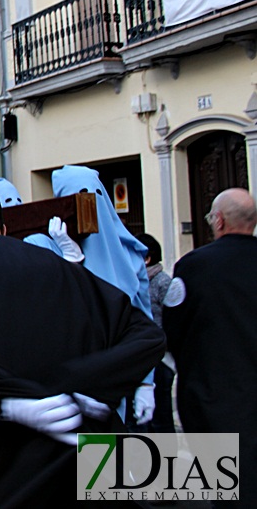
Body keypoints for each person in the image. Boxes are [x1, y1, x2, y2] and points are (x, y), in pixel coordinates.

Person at [0, 187, 166, 506]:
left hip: (2, 456)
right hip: (79, 446)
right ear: (4, 229)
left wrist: (9, 397)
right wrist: (89, 382)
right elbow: (147, 335)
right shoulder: (64, 269)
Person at [163, 188, 257, 483]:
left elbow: (173, 328)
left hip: (214, 394)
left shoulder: (194, 266)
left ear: (218, 221)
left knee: (226, 483)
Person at [52, 165, 155, 426]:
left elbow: (144, 323)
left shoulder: (130, 255)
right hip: (66, 383)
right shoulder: (50, 247)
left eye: (94, 195)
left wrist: (146, 382)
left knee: (104, 460)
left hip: (116, 379)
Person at [135, 232, 174, 433]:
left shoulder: (161, 282)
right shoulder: (133, 280)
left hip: (160, 357)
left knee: (161, 416)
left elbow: (173, 316)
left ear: (147, 258)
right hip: (144, 355)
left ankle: (166, 459)